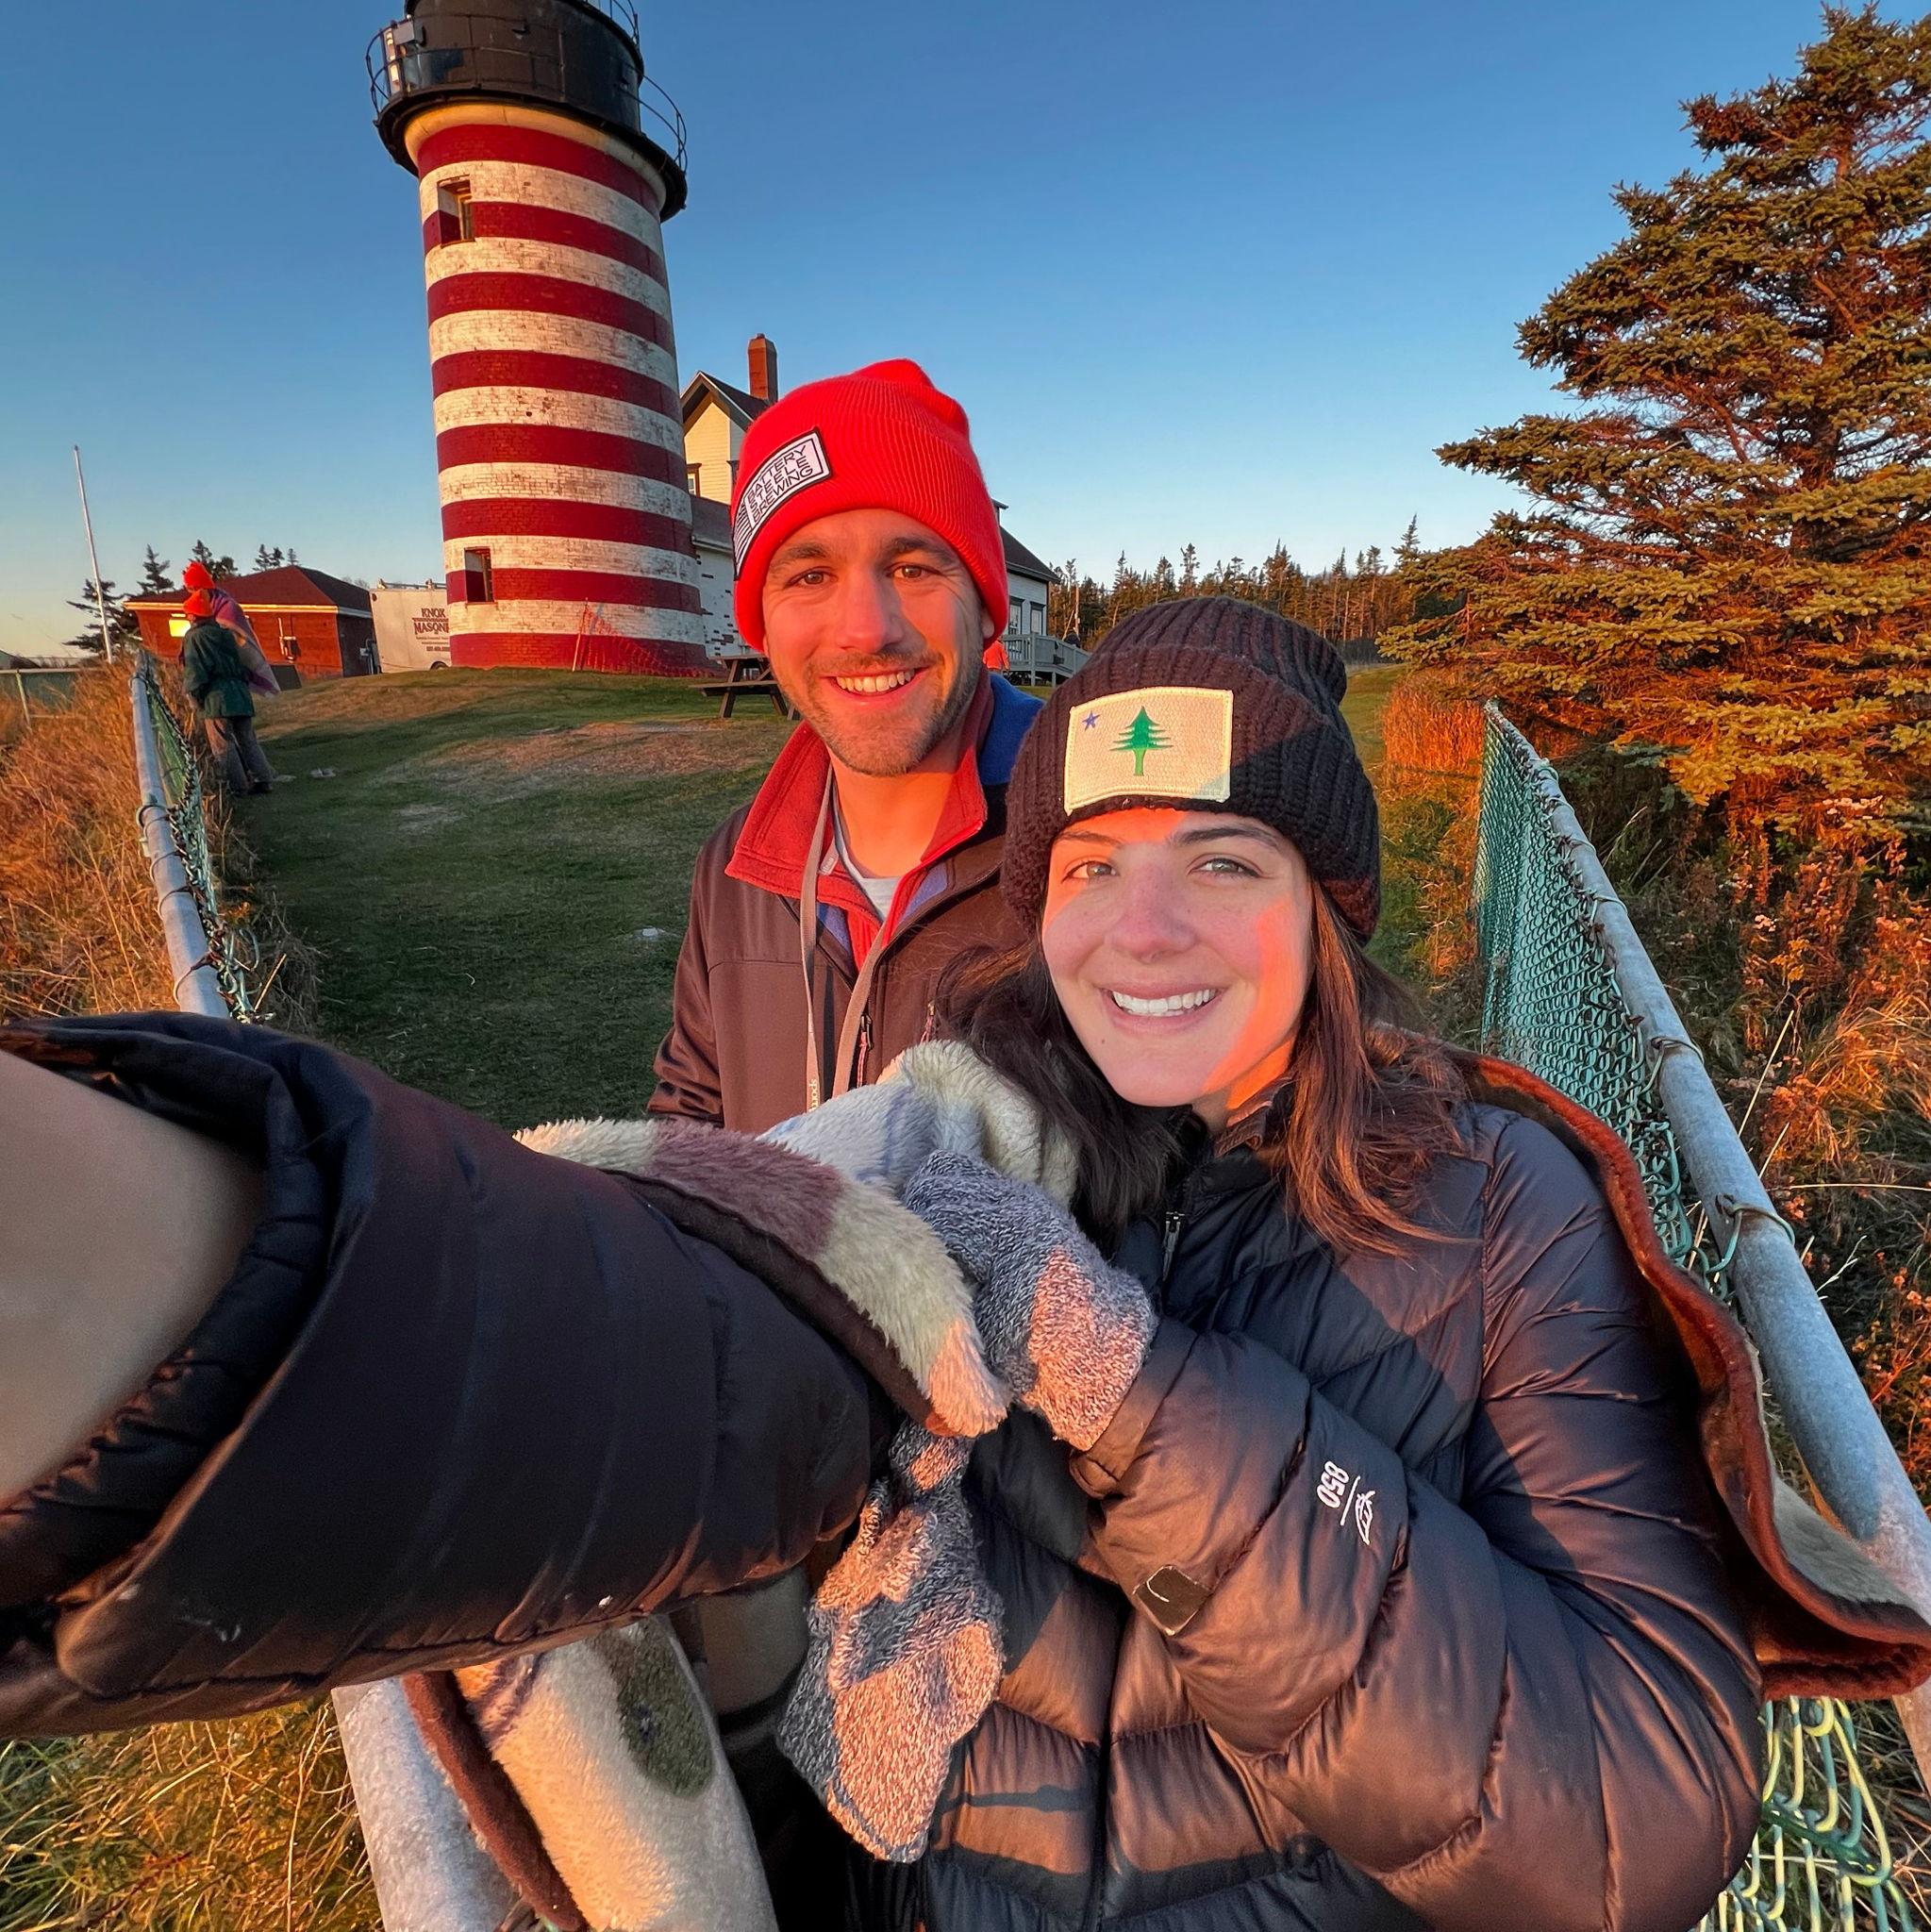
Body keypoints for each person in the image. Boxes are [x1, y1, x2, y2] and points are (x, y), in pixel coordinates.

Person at [3, 603, 1929, 1932]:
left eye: (1226, 861)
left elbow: (1640, 1820)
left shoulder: (1500, 1205)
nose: (1143, 928)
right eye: (1088, 866)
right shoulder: (945, 1150)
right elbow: (620, 1341)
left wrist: (1142, 1401)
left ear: (1331, 916)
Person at [648, 358, 1040, 1132]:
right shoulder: (736, 871)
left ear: (986, 608)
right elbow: (693, 1114)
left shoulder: (1095, 843)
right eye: (809, 576)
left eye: (912, 566)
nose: (866, 629)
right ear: (761, 623)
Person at [180, 588, 275, 795]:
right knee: (248, 740)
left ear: (194, 615)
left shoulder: (194, 638)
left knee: (223, 745)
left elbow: (195, 670)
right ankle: (264, 779)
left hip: (217, 699)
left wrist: (193, 696)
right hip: (240, 694)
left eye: (187, 613)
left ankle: (237, 786)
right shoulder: (226, 633)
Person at [182, 558, 279, 697]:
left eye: (193, 588)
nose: (192, 593)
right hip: (220, 682)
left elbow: (239, 643)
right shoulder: (201, 609)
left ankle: (263, 687)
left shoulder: (227, 609)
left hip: (231, 676)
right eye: (189, 589)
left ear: (203, 587)